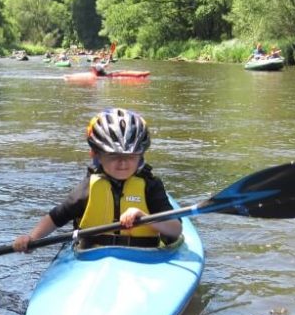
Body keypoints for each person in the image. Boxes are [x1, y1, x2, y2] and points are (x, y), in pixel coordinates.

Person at [13, 108, 183, 253]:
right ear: (96, 155)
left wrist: (144, 217)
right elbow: (56, 218)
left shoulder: (151, 187)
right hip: (92, 256)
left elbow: (176, 229)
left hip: (144, 256)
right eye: (113, 156)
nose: (123, 163)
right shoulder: (88, 188)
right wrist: (31, 238)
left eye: (130, 156)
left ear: (141, 156)